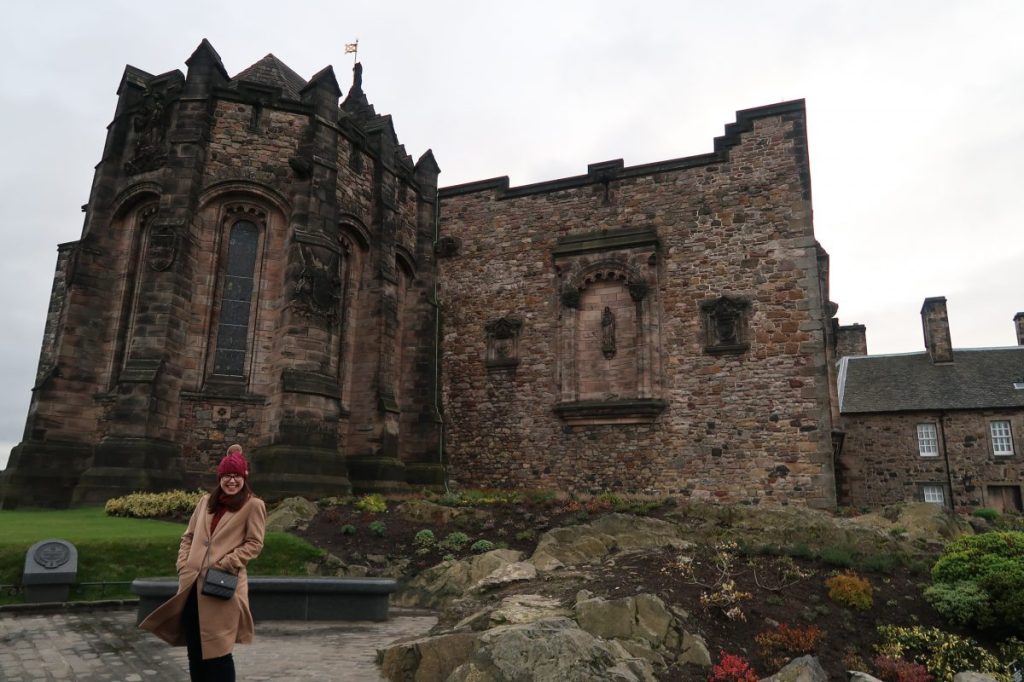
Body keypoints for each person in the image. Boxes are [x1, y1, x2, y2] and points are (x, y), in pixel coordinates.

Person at [140, 444, 267, 682]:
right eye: (227, 476)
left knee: (218, 653)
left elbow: (254, 543)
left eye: (237, 476)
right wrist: (183, 564)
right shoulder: (205, 502)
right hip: (191, 587)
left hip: (222, 586)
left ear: (244, 478)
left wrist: (226, 562)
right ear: (220, 478)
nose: (232, 481)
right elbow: (188, 537)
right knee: (195, 651)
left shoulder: (253, 505)